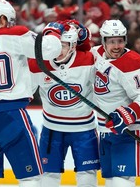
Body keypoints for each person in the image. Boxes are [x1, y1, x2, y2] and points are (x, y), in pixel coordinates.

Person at [0, 0, 62, 187]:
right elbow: (50, 49)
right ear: (1, 19)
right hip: (12, 116)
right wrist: (55, 32)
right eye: (8, 20)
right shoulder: (16, 34)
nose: (11, 24)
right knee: (31, 178)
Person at [28, 20, 100, 187]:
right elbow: (25, 92)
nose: (58, 50)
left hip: (84, 130)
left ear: (74, 46)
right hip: (52, 130)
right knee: (49, 175)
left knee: (87, 176)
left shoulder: (89, 60)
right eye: (55, 45)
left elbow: (105, 88)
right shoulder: (37, 63)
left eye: (64, 46)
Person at [91, 20, 140, 187]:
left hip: (129, 130)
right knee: (111, 181)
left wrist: (127, 115)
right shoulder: (96, 54)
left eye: (120, 40)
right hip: (105, 129)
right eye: (112, 41)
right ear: (103, 42)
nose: (116, 46)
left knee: (122, 181)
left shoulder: (132, 63)